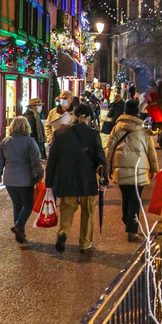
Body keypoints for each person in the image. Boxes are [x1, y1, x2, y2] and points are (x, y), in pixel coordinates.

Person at [46, 104, 108, 253]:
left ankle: (63, 233)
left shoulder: (60, 132)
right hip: (87, 180)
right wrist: (104, 179)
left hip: (66, 179)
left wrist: (49, 182)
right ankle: (85, 243)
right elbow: (101, 158)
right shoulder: (93, 134)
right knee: (88, 212)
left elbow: (52, 159)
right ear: (87, 118)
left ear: (73, 115)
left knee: (67, 209)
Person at [105, 99, 159, 242]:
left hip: (120, 167)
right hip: (139, 169)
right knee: (136, 200)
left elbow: (109, 149)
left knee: (126, 197)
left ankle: (127, 219)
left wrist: (108, 168)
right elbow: (150, 150)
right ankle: (132, 229)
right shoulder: (143, 128)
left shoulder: (116, 127)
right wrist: (154, 168)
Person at [0, 116, 44, 243]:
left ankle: (20, 233)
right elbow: (36, 161)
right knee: (28, 205)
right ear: (26, 127)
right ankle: (19, 225)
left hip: (10, 179)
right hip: (25, 179)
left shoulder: (5, 141)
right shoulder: (29, 142)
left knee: (17, 205)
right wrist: (39, 176)